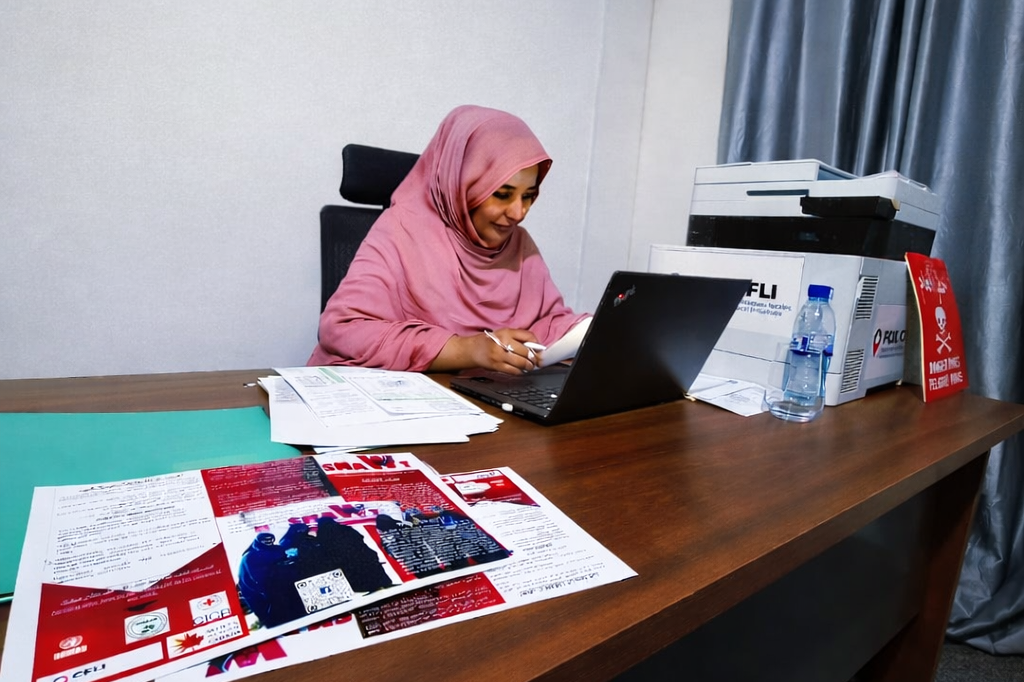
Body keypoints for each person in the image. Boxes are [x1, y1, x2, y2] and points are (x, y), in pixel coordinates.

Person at [308, 104, 590, 375]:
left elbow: (548, 325)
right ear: (461, 185)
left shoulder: (518, 245)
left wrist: (594, 331)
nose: (519, 213)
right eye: (502, 194)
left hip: (486, 404)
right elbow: (342, 329)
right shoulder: (401, 231)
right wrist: (466, 350)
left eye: (528, 196)